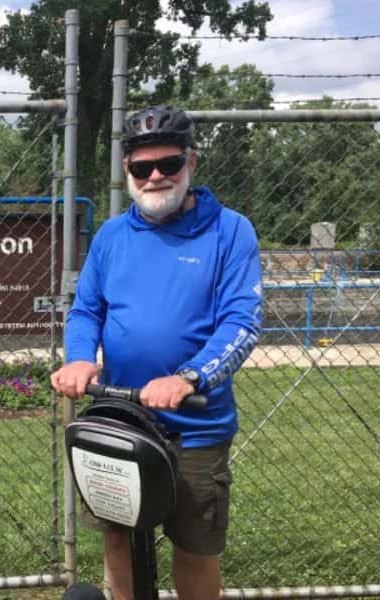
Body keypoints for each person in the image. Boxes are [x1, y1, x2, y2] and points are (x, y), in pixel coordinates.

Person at [51, 106, 263, 600]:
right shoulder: (111, 236)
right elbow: (86, 310)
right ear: (127, 171)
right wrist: (81, 356)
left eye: (167, 164)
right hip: (121, 416)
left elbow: (242, 321)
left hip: (195, 426)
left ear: (191, 161)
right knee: (118, 537)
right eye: (141, 168)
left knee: (194, 547)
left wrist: (189, 378)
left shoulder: (230, 231)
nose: (154, 177)